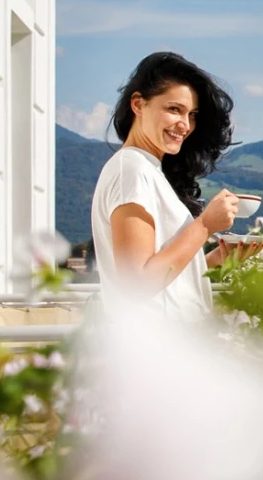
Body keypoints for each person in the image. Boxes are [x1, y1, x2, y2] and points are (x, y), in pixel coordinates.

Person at [90, 52, 243, 319]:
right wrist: (205, 225)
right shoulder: (132, 171)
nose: (185, 125)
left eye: (192, 114)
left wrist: (213, 260)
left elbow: (159, 276)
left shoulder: (147, 170)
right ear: (138, 104)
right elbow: (137, 285)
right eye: (174, 109)